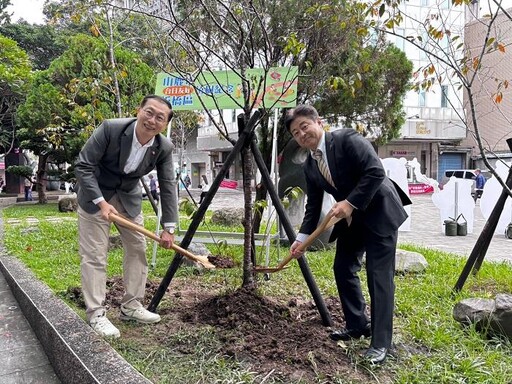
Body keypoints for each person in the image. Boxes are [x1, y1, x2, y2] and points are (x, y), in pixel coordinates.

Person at [285, 105, 411, 364]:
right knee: (342, 267)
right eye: (296, 133)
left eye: (304, 126)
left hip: (379, 211)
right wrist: (300, 240)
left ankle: (381, 343)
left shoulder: (347, 139)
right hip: (353, 219)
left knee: (379, 275)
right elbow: (312, 207)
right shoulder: (310, 165)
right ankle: (357, 325)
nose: (301, 134)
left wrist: (349, 203)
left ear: (319, 122)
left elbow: (375, 172)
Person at [74, 95, 178, 338]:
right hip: (95, 194)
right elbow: (83, 165)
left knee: (137, 248)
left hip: (128, 198)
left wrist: (169, 227)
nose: (152, 120)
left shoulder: (163, 147)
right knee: (95, 254)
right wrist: (101, 202)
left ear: (164, 124)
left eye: (159, 118)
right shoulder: (111, 128)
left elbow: (168, 184)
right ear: (138, 110)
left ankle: (131, 306)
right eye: (149, 112)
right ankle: (96, 313)